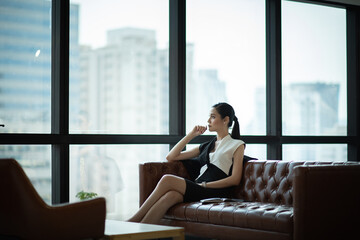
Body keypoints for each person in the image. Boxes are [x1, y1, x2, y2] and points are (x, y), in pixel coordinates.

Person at [127, 102, 245, 224]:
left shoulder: (237, 145)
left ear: (225, 120)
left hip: (215, 191)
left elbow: (235, 179)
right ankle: (142, 230)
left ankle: (133, 220)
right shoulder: (206, 146)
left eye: (213, 117)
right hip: (199, 188)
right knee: (171, 196)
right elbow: (171, 157)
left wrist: (204, 185)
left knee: (167, 179)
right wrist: (191, 135)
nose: (208, 120)